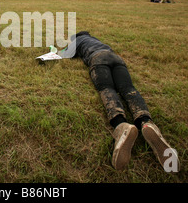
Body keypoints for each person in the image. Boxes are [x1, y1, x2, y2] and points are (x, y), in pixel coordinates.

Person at [59, 31, 180, 171]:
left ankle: (121, 125)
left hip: (98, 59)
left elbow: (66, 53)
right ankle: (146, 123)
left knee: (106, 88)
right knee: (128, 88)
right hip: (117, 59)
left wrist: (56, 51)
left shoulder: (78, 40)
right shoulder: (95, 40)